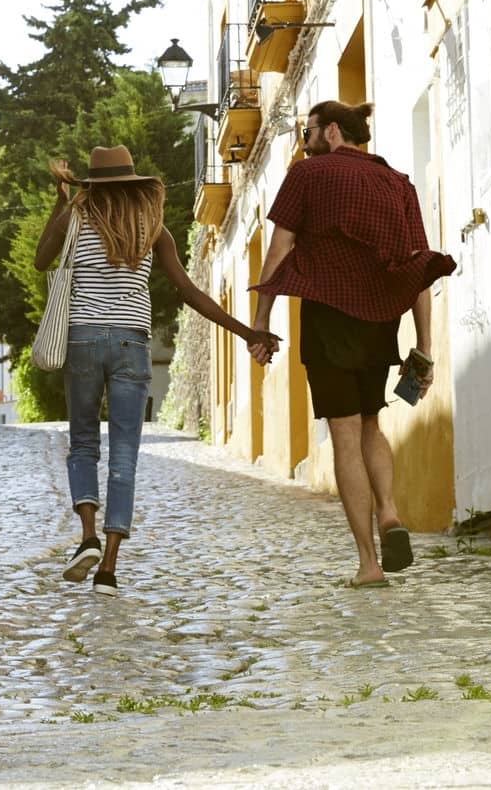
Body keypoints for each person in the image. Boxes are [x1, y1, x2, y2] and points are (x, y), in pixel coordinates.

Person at [33, 144, 278, 597]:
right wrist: (246, 332)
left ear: (92, 185)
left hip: (85, 339)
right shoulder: (153, 229)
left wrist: (61, 200)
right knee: (124, 456)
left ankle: (86, 535)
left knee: (83, 443)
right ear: (133, 183)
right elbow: (188, 290)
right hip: (132, 342)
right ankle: (107, 568)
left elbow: (40, 260)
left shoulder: (76, 217)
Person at [250, 101, 456, 587]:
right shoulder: (398, 184)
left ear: (334, 132)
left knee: (344, 436)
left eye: (309, 131)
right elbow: (416, 266)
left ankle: (368, 563)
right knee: (370, 424)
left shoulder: (308, 175)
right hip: (380, 322)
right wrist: (423, 346)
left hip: (329, 317)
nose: (305, 141)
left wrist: (261, 320)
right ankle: (389, 512)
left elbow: (279, 250)